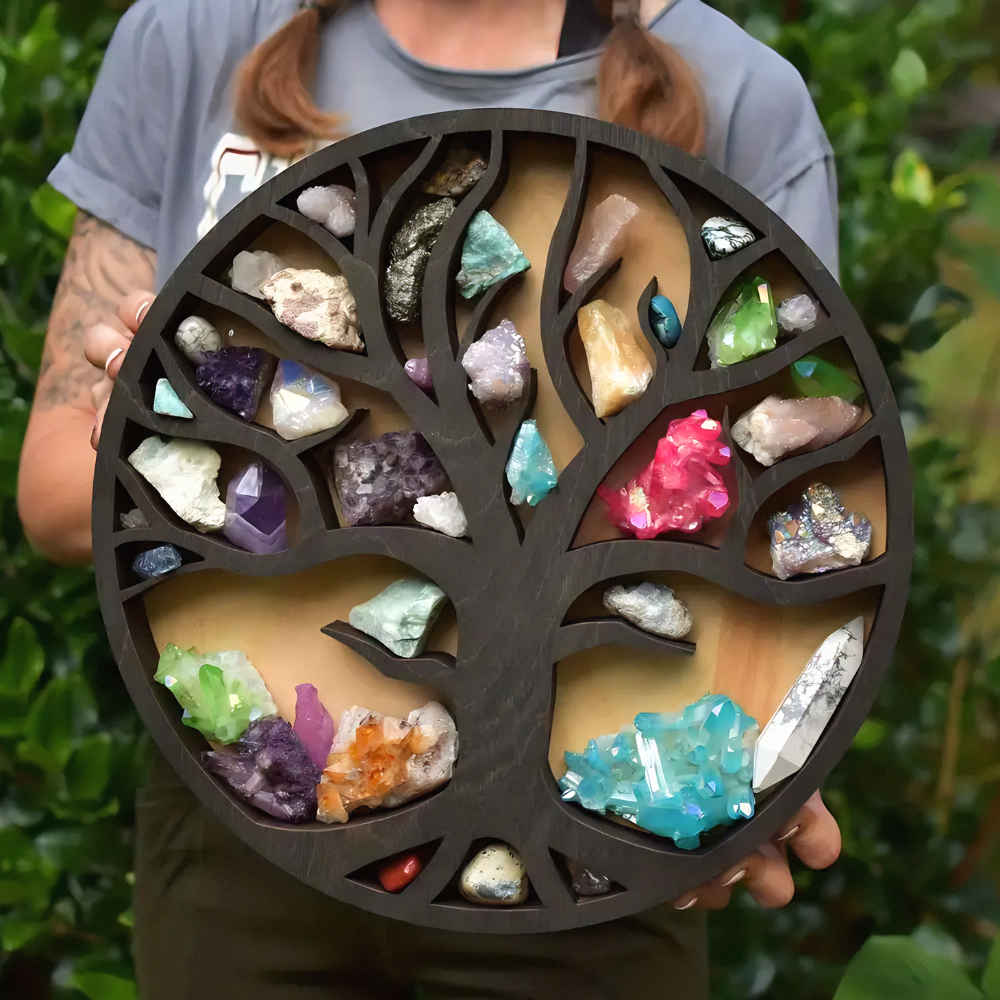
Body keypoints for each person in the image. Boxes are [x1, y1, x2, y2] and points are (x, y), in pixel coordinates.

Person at [18, 1, 842, 997]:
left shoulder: (736, 89)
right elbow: (54, 496)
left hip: (589, 865)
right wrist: (159, 428)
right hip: (244, 817)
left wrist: (765, 773)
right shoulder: (195, 32)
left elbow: (807, 514)